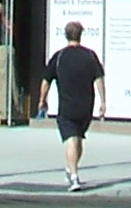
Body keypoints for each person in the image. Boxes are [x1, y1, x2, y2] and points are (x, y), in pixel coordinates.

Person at [38, 20, 106, 189]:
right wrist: (103, 101)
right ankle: (71, 169)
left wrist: (42, 100)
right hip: (86, 107)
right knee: (78, 139)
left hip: (67, 107)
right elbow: (99, 79)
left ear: (66, 35)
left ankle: (74, 176)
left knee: (71, 140)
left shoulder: (59, 57)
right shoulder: (90, 55)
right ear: (81, 35)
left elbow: (46, 80)